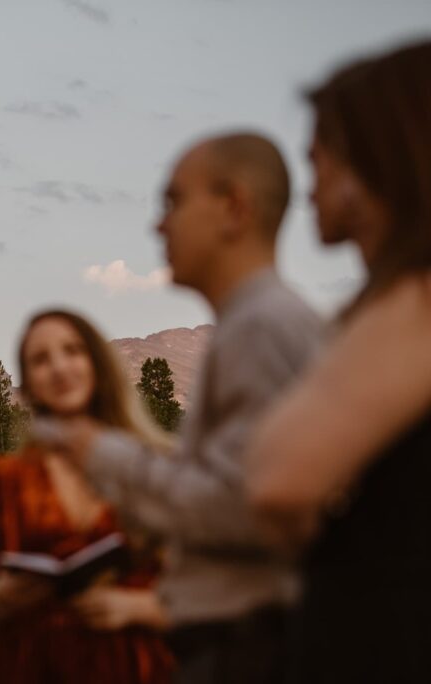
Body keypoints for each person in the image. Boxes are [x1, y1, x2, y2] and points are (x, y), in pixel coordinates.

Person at [40, 132, 323, 684]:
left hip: (241, 652)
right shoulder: (255, 326)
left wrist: (102, 451)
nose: (157, 225)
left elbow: (243, 508)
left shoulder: (260, 330)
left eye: (173, 201)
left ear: (234, 208)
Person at [246, 40, 431, 684]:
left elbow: (279, 479)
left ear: (374, 160)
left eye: (320, 155)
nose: (309, 178)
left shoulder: (417, 297)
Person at [0, 310, 174, 684]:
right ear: (29, 386)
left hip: (133, 668)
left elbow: (212, 595)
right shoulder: (6, 479)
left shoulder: (150, 468)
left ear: (97, 364)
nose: (58, 367)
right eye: (40, 359)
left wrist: (136, 606)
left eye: (72, 351)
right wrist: (0, 597)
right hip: (29, 668)